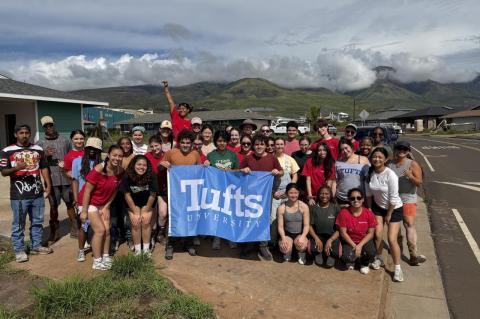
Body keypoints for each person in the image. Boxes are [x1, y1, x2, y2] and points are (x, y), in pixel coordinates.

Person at [0, 124, 53, 262]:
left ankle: (36, 245)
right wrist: (16, 167)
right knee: (19, 224)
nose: (24, 135)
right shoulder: (7, 151)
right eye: (21, 133)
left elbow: (44, 168)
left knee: (38, 221)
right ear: (15, 134)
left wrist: (48, 184)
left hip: (37, 192)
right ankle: (19, 250)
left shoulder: (38, 149)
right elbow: (4, 172)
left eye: (27, 133)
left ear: (30, 134)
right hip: (19, 194)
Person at [78, 145, 124, 270]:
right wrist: (83, 211)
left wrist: (106, 206)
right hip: (88, 202)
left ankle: (106, 256)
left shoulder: (120, 171)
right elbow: (87, 191)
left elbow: (115, 190)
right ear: (108, 155)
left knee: (107, 230)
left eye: (120, 156)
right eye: (114, 155)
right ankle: (97, 261)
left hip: (103, 204)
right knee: (100, 231)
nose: (117, 158)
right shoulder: (98, 169)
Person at [239, 135, 284, 261]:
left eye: (261, 144)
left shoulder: (272, 158)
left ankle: (262, 246)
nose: (259, 147)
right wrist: (243, 169)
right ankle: (248, 244)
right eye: (257, 144)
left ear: (266, 146)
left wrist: (277, 172)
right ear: (253, 146)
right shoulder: (248, 158)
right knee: (249, 218)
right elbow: (238, 171)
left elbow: (282, 172)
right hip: (249, 195)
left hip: (265, 195)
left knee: (263, 219)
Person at [160, 129, 202, 260]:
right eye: (183, 142)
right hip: (175, 194)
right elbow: (160, 167)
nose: (185, 145)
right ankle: (170, 245)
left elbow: (200, 172)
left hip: (190, 194)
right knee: (174, 218)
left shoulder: (195, 154)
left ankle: (188, 243)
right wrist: (163, 164)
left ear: (191, 144)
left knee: (190, 218)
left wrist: (205, 166)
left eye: (188, 143)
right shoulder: (171, 153)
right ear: (179, 143)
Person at [366, 147, 404, 282]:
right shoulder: (371, 172)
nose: (377, 159)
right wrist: (370, 209)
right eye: (374, 157)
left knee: (392, 239)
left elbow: (394, 198)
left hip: (394, 209)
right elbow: (369, 194)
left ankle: (398, 269)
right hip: (378, 207)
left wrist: (389, 215)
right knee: (377, 234)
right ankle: (379, 257)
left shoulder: (390, 175)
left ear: (386, 159)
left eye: (380, 157)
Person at [37, 115, 75, 241]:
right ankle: (55, 231)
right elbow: (36, 162)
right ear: (43, 128)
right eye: (46, 126)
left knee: (70, 203)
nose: (49, 128)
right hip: (51, 180)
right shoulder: (40, 143)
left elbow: (71, 157)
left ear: (54, 125)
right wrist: (44, 155)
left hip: (66, 179)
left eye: (51, 125)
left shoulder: (65, 140)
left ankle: (75, 228)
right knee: (53, 206)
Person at [388, 141, 426, 266]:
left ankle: (413, 254)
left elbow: (419, 183)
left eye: (404, 149)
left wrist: (410, 175)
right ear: (395, 150)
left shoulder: (412, 164)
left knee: (409, 224)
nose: (401, 151)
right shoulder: (390, 164)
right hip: (393, 199)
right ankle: (397, 250)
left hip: (408, 198)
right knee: (395, 226)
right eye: (399, 148)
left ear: (408, 151)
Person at [71, 137, 103, 262]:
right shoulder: (77, 162)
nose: (92, 151)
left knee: (96, 226)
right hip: (82, 198)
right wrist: (75, 198)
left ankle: (96, 247)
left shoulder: (101, 164)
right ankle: (80, 250)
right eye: (90, 148)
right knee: (83, 225)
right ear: (86, 148)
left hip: (97, 198)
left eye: (95, 149)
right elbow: (75, 181)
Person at [206, 130, 239, 250]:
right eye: (219, 141)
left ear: (228, 142)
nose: (222, 143)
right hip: (216, 189)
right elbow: (206, 173)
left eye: (224, 141)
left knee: (230, 214)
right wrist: (205, 165)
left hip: (230, 189)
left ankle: (230, 237)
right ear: (215, 142)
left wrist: (231, 172)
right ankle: (217, 237)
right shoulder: (211, 155)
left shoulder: (233, 155)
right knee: (218, 214)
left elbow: (238, 172)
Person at [121, 155, 157, 256]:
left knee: (146, 221)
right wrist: (135, 211)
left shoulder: (152, 175)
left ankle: (146, 249)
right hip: (133, 203)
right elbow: (127, 195)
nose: (141, 167)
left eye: (144, 165)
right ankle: (137, 250)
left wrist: (145, 210)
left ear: (147, 166)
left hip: (148, 202)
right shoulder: (127, 176)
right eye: (139, 164)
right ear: (134, 165)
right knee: (136, 222)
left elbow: (153, 194)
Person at [335, 188, 377, 274]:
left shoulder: (369, 214)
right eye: (352, 198)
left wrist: (360, 245)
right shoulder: (343, 213)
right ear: (349, 200)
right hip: (349, 241)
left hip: (363, 240)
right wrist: (354, 245)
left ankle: (364, 263)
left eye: (358, 198)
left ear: (363, 199)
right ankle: (352, 261)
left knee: (371, 253)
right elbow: (343, 233)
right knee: (347, 257)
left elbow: (371, 233)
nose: (356, 200)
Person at [271, 137, 299, 236]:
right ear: (274, 146)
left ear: (284, 145)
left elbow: (295, 174)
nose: (279, 146)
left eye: (281, 144)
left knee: (287, 216)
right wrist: (273, 192)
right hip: (274, 194)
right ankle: (273, 241)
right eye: (277, 144)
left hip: (288, 193)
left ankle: (286, 239)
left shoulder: (290, 159)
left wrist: (290, 190)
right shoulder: (270, 158)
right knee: (273, 218)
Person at [308, 185, 340, 268]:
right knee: (314, 250)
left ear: (330, 195)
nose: (324, 196)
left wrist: (331, 240)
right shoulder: (314, 208)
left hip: (332, 236)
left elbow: (339, 229)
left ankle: (331, 255)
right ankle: (319, 253)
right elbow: (310, 226)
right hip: (318, 235)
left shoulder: (335, 207)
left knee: (335, 252)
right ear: (318, 195)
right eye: (322, 193)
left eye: (327, 193)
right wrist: (316, 238)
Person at [277, 183, 310, 265]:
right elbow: (280, 227)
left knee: (302, 245)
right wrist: (283, 238)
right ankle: (288, 252)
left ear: (299, 193)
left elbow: (306, 225)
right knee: (285, 248)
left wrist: (302, 237)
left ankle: (301, 254)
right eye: (291, 193)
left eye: (296, 193)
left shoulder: (304, 206)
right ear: (286, 193)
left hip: (299, 234)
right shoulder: (281, 208)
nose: (293, 195)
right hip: (287, 234)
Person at [333, 139, 370, 205]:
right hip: (342, 198)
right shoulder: (338, 162)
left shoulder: (363, 160)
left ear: (352, 147)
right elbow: (335, 181)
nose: (345, 151)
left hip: (358, 198)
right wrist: (332, 197)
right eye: (342, 150)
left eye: (346, 148)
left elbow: (368, 180)